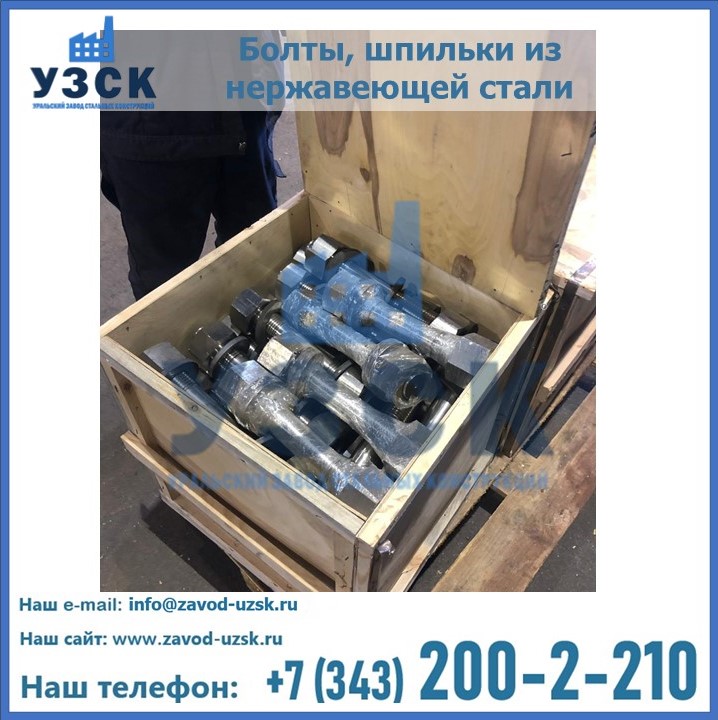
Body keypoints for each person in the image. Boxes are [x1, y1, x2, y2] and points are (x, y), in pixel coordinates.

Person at [101, 110, 283, 300]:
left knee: (256, 252)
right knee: (165, 286)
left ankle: (257, 311)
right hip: (151, 134)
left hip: (242, 118)